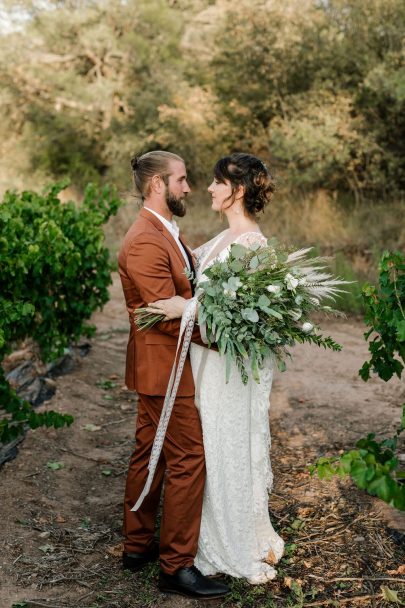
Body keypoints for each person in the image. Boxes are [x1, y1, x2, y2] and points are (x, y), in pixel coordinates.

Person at [147, 153, 285, 584]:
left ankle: (229, 539)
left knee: (221, 446)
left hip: (226, 370)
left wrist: (182, 307)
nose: (208, 188)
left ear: (237, 190)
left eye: (216, 182)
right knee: (204, 446)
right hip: (203, 363)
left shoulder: (252, 246)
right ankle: (193, 537)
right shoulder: (221, 240)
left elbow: (241, 318)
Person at [118, 150, 229, 599]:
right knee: (187, 458)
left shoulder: (164, 231)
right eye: (181, 180)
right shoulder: (144, 239)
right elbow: (164, 315)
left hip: (164, 363)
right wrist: (224, 337)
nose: (187, 187)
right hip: (166, 365)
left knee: (150, 450)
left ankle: (137, 544)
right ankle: (177, 565)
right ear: (157, 185)